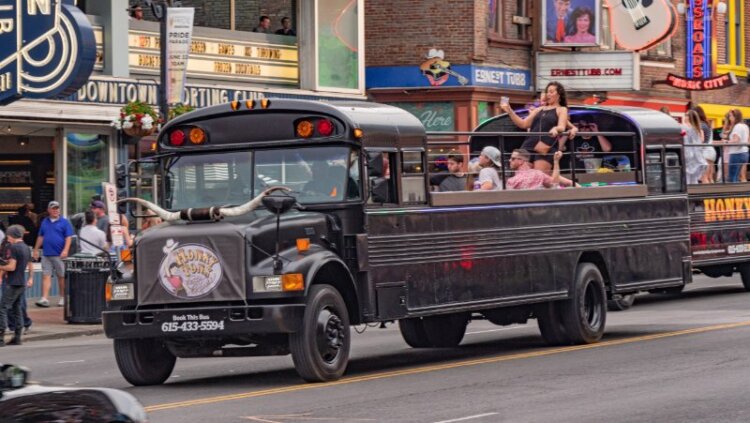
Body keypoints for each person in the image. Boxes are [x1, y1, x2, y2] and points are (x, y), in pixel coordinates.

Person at [502, 81, 569, 173]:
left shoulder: (561, 109)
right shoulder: (539, 109)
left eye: (551, 92)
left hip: (545, 146)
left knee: (539, 177)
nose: (548, 94)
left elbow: (562, 126)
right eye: (547, 91)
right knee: (523, 176)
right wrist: (509, 111)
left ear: (559, 94)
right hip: (529, 145)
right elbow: (523, 124)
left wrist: (556, 128)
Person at [33, 201, 73, 308]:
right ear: (49, 210)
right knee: (46, 276)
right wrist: (36, 249)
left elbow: (68, 238)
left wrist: (65, 250)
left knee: (61, 276)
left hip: (59, 254)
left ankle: (63, 297)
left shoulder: (64, 222)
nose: (55, 210)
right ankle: (45, 298)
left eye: (57, 208)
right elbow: (40, 236)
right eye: (53, 208)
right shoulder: (44, 222)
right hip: (46, 253)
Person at [0, 225, 33, 346]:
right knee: (17, 308)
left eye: (8, 236)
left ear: (12, 235)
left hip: (12, 282)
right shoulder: (25, 247)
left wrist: (1, 266)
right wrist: (30, 278)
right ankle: (17, 337)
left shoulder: (13, 247)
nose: (7, 238)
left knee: (2, 308)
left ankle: (1, 338)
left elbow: (11, 267)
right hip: (21, 282)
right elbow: (28, 264)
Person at [507, 150, 572, 189]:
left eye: (513, 158)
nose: (509, 160)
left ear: (520, 161)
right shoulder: (539, 174)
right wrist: (556, 161)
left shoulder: (512, 181)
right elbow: (554, 184)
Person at [720, 109, 749, 183]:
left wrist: (726, 141)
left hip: (736, 153)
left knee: (732, 177)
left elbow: (736, 140)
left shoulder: (737, 126)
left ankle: (732, 193)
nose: (729, 118)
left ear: (735, 117)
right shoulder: (745, 126)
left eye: (730, 116)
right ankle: (737, 193)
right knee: (736, 176)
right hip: (744, 152)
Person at [682, 110, 708, 185]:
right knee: (693, 180)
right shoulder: (697, 129)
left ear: (689, 117)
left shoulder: (685, 128)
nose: (685, 116)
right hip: (697, 156)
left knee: (687, 179)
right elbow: (700, 141)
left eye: (686, 115)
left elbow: (683, 138)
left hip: (688, 155)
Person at [694, 106, 716, 183]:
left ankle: (707, 194)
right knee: (710, 178)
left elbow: (701, 140)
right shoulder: (708, 125)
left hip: (705, 152)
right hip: (711, 152)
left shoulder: (701, 125)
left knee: (704, 178)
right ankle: (714, 194)